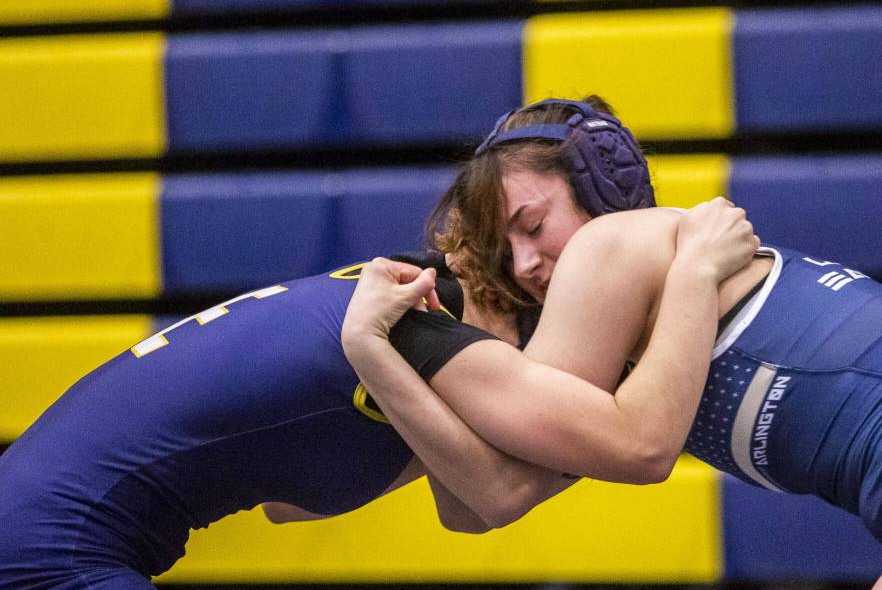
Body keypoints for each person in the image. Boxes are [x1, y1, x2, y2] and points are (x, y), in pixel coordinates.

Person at [342, 97, 882, 590]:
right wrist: (395, 349)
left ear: (601, 188)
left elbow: (561, 471)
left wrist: (394, 344)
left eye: (532, 224)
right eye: (504, 248)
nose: (522, 265)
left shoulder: (608, 246)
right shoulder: (629, 344)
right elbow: (480, 502)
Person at [0, 190, 756, 587]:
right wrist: (692, 271)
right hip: (51, 549)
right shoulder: (406, 322)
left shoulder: (381, 323)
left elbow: (295, 503)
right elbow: (538, 480)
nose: (542, 267)